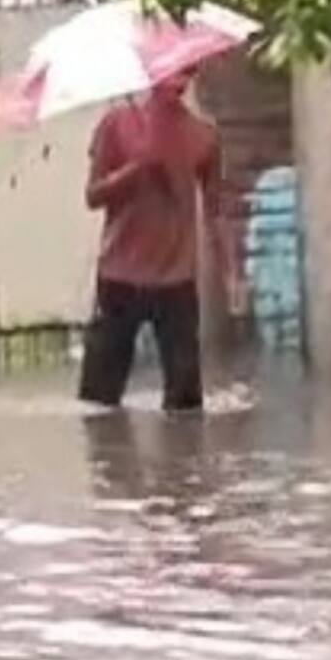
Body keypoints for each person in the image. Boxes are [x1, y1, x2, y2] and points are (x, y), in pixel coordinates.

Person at [77, 69, 225, 413]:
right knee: (98, 403)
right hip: (119, 277)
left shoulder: (204, 136)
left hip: (176, 279)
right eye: (169, 74)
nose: (176, 82)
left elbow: (214, 211)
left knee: (186, 407)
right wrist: (135, 170)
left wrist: (230, 274)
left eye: (184, 73)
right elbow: (93, 196)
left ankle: (181, 453)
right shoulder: (116, 124)